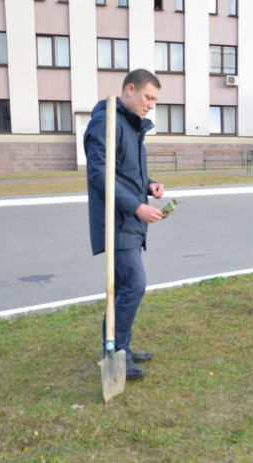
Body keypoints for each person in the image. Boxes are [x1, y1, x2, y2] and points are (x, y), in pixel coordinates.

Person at [85, 68, 164, 380]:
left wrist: (149, 185)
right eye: (148, 97)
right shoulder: (105, 123)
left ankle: (121, 349)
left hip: (128, 220)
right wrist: (136, 207)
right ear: (129, 89)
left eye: (155, 100)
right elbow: (99, 175)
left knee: (122, 288)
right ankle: (117, 353)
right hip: (115, 222)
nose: (151, 104)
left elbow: (125, 173)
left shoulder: (130, 127)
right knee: (134, 283)